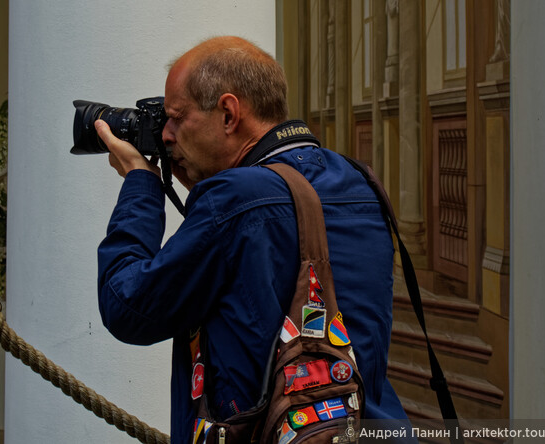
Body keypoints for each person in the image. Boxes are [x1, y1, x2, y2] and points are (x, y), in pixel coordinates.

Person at [94, 36, 409, 442]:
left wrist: (141, 185)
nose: (166, 135)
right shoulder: (362, 182)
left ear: (228, 113)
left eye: (175, 117)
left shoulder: (235, 200)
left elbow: (127, 306)